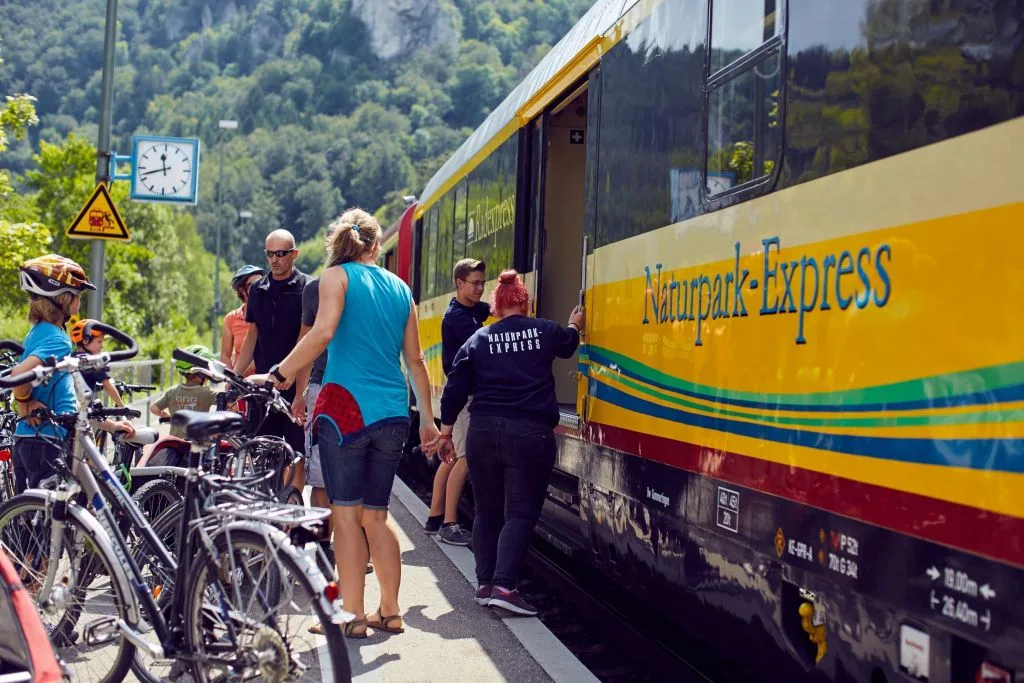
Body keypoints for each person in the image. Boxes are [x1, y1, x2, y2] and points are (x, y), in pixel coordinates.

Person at [253, 208, 440, 639]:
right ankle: (391, 611)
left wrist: (279, 373)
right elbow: (415, 359)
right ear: (376, 246)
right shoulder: (399, 288)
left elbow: (320, 334)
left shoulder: (335, 279)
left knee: (346, 514)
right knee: (377, 515)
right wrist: (427, 420)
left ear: (338, 244)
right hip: (394, 410)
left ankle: (351, 615)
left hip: (345, 409)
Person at [433, 270, 584, 616]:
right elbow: (569, 343)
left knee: (487, 510)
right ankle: (505, 585)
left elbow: (456, 386)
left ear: (496, 307)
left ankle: (485, 584)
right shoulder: (544, 330)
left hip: (483, 432)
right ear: (525, 304)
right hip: (529, 433)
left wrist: (446, 432)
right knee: (519, 511)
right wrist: (575, 323)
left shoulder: (479, 338)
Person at [8, 255, 133, 492]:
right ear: (63, 299)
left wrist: (110, 426)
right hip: (48, 441)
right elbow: (19, 374)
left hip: (29, 439)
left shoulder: (37, 332)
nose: (80, 299)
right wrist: (25, 401)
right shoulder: (59, 341)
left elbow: (66, 402)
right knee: (58, 520)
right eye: (78, 294)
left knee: (29, 522)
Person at [233, 231, 311, 482]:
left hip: (295, 384)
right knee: (262, 448)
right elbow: (252, 335)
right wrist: (234, 377)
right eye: (270, 254)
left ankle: (294, 510)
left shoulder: (308, 288)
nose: (275, 260)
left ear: (294, 254)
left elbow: (306, 339)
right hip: (264, 385)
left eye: (281, 253)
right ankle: (268, 504)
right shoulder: (257, 289)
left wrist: (296, 381)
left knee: (296, 453)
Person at [425, 259, 489, 546]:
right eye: (474, 283)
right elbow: (482, 343)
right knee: (464, 460)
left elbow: (491, 309)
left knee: (450, 460)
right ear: (459, 283)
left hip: (464, 393)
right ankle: (449, 524)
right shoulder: (456, 318)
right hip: (463, 395)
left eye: (482, 283)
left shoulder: (472, 309)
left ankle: (434, 517)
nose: (480, 289)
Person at [149, 345, 219, 421]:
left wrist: (165, 415)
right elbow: (229, 404)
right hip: (198, 432)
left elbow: (154, 408)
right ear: (203, 373)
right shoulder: (207, 392)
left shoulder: (172, 391)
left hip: (174, 433)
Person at [70, 319, 127, 407]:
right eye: (99, 341)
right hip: (83, 414)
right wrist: (122, 406)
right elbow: (107, 385)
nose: (102, 346)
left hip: (69, 409)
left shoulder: (71, 357)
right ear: (85, 341)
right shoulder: (92, 361)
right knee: (125, 422)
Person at [220, 265, 264, 376]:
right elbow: (225, 355)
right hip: (240, 383)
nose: (259, 287)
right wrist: (230, 377)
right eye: (253, 285)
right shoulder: (231, 318)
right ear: (242, 290)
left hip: (266, 379)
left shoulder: (271, 315)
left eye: (262, 282)